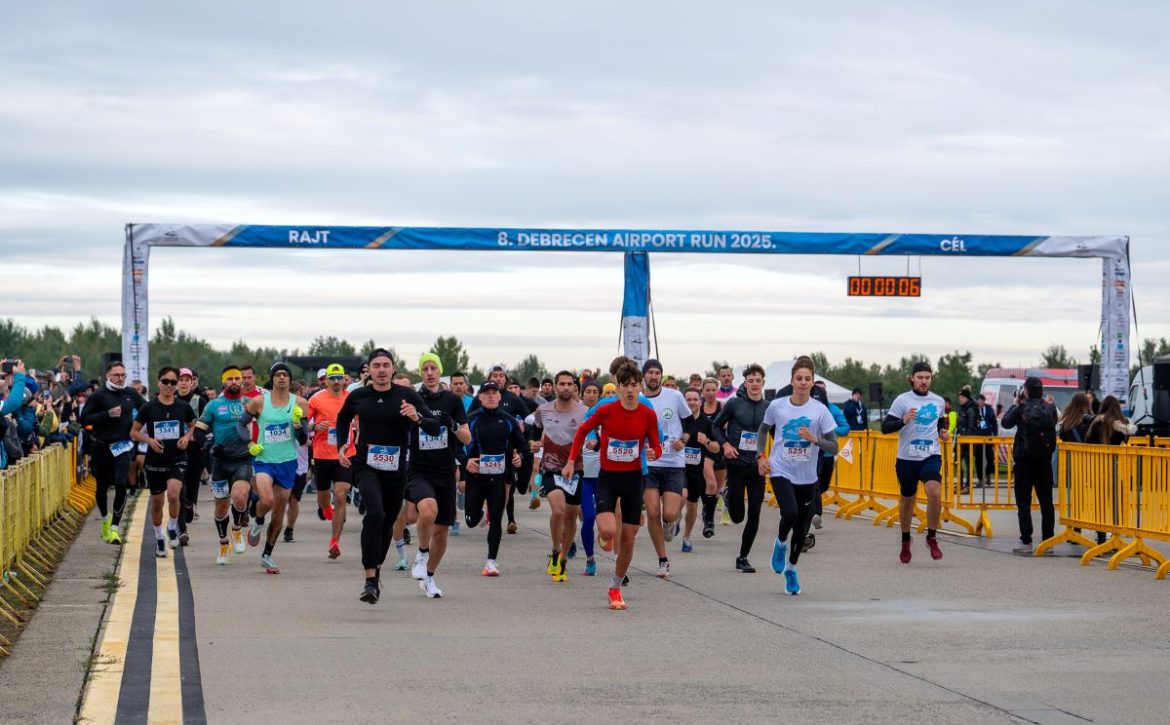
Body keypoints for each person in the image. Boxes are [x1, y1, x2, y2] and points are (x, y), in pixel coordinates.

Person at [336, 349, 441, 604]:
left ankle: (377, 567)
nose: (381, 370)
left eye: (386, 365)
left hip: (396, 469)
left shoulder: (406, 396)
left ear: (393, 369)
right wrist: (343, 444)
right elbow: (342, 419)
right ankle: (370, 579)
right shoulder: (358, 396)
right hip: (366, 465)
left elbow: (435, 427)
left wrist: (416, 417)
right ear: (369, 370)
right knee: (376, 513)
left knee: (387, 522)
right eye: (376, 365)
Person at [563, 361, 662, 610]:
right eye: (625, 386)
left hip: (633, 478)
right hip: (608, 477)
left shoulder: (647, 413)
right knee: (608, 531)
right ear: (617, 388)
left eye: (634, 385)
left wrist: (654, 452)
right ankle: (603, 533)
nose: (630, 390)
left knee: (628, 538)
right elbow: (582, 431)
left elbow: (656, 444)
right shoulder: (606, 410)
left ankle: (615, 587)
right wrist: (571, 461)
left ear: (639, 387)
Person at [757, 356, 839, 595]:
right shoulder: (778, 405)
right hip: (780, 469)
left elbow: (834, 447)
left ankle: (791, 569)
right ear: (791, 380)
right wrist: (761, 457)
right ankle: (781, 541)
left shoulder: (820, 411)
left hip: (807, 476)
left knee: (802, 528)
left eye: (808, 379)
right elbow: (763, 431)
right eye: (799, 378)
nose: (803, 382)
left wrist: (816, 440)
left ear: (813, 382)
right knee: (790, 513)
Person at [406, 353, 471, 598]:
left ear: (439, 371)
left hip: (445, 470)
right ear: (420, 373)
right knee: (428, 510)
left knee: (442, 531)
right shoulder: (413, 398)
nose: (430, 372)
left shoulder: (452, 401)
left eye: (434, 368)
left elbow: (467, 438)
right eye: (425, 368)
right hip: (419, 468)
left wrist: (453, 426)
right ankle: (422, 552)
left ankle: (430, 577)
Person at [238, 362, 310, 574]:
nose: (281, 378)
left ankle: (267, 555)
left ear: (289, 379)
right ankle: (258, 521)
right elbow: (241, 425)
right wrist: (250, 444)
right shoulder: (259, 402)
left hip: (287, 462)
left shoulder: (301, 403)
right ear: (272, 379)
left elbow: (304, 439)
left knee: (279, 515)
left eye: (285, 375)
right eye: (277, 375)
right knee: (267, 500)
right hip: (264, 460)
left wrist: (298, 425)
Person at [881, 361, 949, 563]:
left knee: (934, 492)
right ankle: (905, 539)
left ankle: (932, 536)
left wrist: (942, 432)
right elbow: (885, 428)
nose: (924, 381)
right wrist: (902, 421)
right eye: (920, 377)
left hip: (930, 455)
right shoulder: (902, 401)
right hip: (907, 459)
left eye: (927, 378)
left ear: (931, 379)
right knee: (908, 500)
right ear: (911, 378)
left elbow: (939, 423)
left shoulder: (938, 401)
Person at [191, 366, 254, 564]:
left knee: (240, 497)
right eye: (230, 379)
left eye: (238, 378)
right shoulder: (214, 405)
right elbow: (198, 432)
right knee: (221, 507)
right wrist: (209, 446)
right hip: (220, 461)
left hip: (243, 458)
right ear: (223, 381)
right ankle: (223, 542)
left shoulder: (250, 403)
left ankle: (236, 529)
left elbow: (266, 423)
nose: (235, 382)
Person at [131, 367, 196, 557]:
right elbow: (133, 432)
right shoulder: (148, 408)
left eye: (173, 382)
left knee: (174, 495)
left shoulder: (183, 407)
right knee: (158, 503)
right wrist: (149, 441)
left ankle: (173, 526)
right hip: (155, 460)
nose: (169, 386)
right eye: (165, 382)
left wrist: (187, 436)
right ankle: (159, 537)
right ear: (158, 382)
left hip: (177, 458)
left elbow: (194, 426)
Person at [80, 361, 147, 545]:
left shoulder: (130, 393)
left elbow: (146, 410)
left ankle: (115, 528)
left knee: (120, 483)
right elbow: (83, 419)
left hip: (122, 446)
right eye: (116, 375)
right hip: (101, 446)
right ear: (108, 376)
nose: (120, 378)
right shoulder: (98, 396)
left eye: (123, 375)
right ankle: (104, 519)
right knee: (101, 487)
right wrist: (106, 415)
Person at [464, 381, 526, 577]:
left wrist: (519, 458)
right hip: (476, 477)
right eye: (486, 393)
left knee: (497, 518)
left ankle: (491, 561)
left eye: (494, 393)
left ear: (500, 397)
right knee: (471, 521)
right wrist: (466, 461)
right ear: (480, 397)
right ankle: (480, 515)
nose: (490, 396)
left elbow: (522, 446)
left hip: (499, 478)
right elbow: (457, 446)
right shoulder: (471, 419)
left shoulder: (508, 420)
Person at [711, 363, 769, 572]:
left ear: (763, 383)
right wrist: (725, 445)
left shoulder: (768, 408)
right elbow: (715, 426)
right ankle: (727, 496)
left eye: (758, 381)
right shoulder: (734, 404)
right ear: (745, 383)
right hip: (735, 463)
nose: (754, 384)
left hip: (755, 465)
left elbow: (776, 434)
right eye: (750, 381)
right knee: (737, 517)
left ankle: (743, 557)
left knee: (755, 511)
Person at [533, 371, 588, 582]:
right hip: (550, 469)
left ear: (574, 387)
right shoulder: (543, 410)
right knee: (558, 509)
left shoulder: (585, 411)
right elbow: (534, 429)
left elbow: (594, 436)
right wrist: (534, 443)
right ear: (555, 387)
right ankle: (555, 549)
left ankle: (562, 560)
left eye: (569, 384)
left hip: (576, 470)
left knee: (571, 517)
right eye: (561, 384)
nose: (565, 387)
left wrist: (593, 443)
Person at [640, 358, 689, 578]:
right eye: (650, 372)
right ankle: (663, 559)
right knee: (652, 512)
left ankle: (670, 523)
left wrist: (684, 439)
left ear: (661, 375)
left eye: (657, 373)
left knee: (669, 513)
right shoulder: (638, 400)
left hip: (673, 462)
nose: (653, 376)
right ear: (644, 376)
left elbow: (691, 421)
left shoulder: (675, 396)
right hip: (649, 463)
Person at [1001, 377, 1058, 552]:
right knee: (1046, 502)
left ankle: (1026, 541)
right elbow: (1053, 422)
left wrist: (1016, 403)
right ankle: (1048, 541)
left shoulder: (1021, 408)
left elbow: (1005, 422)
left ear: (1025, 390)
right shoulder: (1050, 408)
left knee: (1023, 502)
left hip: (1024, 460)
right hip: (1044, 461)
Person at [308, 363, 355, 559]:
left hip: (346, 454)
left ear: (345, 379)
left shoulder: (352, 399)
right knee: (323, 498)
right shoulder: (316, 399)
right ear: (326, 380)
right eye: (332, 378)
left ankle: (334, 542)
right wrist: (316, 427)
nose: (336, 382)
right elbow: (304, 426)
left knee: (341, 494)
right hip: (322, 455)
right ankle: (327, 510)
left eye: (339, 378)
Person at [175, 367, 211, 544]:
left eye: (186, 380)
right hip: (175, 450)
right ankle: (182, 529)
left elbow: (208, 423)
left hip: (195, 449)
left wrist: (197, 435)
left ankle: (190, 504)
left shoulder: (200, 401)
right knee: (178, 488)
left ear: (192, 382)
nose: (183, 383)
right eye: (180, 380)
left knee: (192, 484)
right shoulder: (168, 399)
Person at [681, 387, 719, 550]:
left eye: (695, 399)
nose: (691, 403)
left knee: (692, 505)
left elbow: (717, 448)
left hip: (697, 469)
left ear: (700, 400)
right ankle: (674, 520)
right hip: (679, 468)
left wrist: (707, 442)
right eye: (688, 400)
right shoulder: (679, 420)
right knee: (681, 496)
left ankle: (686, 537)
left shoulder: (707, 423)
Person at [577, 380, 603, 575]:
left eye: (595, 392)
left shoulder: (607, 416)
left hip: (605, 476)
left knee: (608, 518)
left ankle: (606, 534)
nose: (591, 395)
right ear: (582, 394)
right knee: (588, 517)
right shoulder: (577, 415)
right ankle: (590, 558)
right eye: (588, 391)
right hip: (584, 476)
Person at [700, 377, 728, 526]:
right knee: (710, 484)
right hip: (704, 452)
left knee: (716, 490)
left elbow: (730, 426)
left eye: (713, 390)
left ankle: (706, 511)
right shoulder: (698, 408)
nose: (710, 393)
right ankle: (709, 521)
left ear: (717, 391)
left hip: (719, 450)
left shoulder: (722, 407)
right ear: (702, 391)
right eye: (707, 390)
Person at [955, 390, 980, 494]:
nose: (960, 399)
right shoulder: (962, 408)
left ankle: (968, 486)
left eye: (962, 397)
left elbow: (971, 427)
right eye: (959, 397)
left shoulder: (971, 410)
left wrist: (965, 439)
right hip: (960, 440)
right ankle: (960, 485)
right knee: (957, 462)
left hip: (968, 440)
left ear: (967, 398)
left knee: (968, 463)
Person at [973, 394, 999, 487]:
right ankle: (980, 479)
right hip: (977, 437)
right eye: (977, 401)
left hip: (988, 436)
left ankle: (988, 475)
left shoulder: (989, 409)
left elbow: (994, 423)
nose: (979, 402)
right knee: (978, 459)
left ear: (983, 401)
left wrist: (995, 435)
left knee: (990, 457)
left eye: (980, 400)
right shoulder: (974, 409)